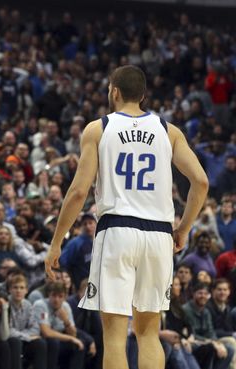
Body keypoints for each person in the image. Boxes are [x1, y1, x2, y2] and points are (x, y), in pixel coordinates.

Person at [45, 65, 209, 369]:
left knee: (116, 335)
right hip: (159, 235)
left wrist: (56, 243)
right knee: (149, 332)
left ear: (114, 91)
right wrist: (184, 229)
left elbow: (78, 192)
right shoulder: (169, 131)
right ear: (143, 96)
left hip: (117, 230)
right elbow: (201, 182)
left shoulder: (99, 128)